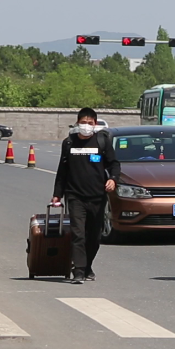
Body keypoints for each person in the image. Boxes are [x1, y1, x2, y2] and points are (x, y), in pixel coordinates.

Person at [52, 107, 120, 284]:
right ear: (77, 123)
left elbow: (114, 164)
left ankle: (88, 266)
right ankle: (79, 271)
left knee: (94, 237)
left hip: (97, 197)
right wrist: (57, 194)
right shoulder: (69, 143)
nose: (86, 126)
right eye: (83, 122)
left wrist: (113, 179)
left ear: (95, 124)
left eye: (90, 123)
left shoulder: (102, 142)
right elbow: (62, 170)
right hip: (75, 196)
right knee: (78, 234)